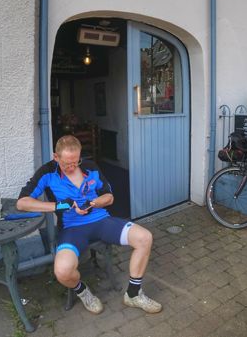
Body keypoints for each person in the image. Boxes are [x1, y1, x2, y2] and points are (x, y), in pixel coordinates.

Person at [17, 135, 162, 315]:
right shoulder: (47, 172)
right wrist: (60, 206)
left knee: (144, 238)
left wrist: (94, 203)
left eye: (75, 162)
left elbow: (109, 197)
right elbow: (22, 203)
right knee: (62, 271)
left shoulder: (90, 167)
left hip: (101, 221)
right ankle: (83, 291)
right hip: (72, 228)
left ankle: (133, 294)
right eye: (66, 164)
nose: (72, 168)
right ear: (56, 157)